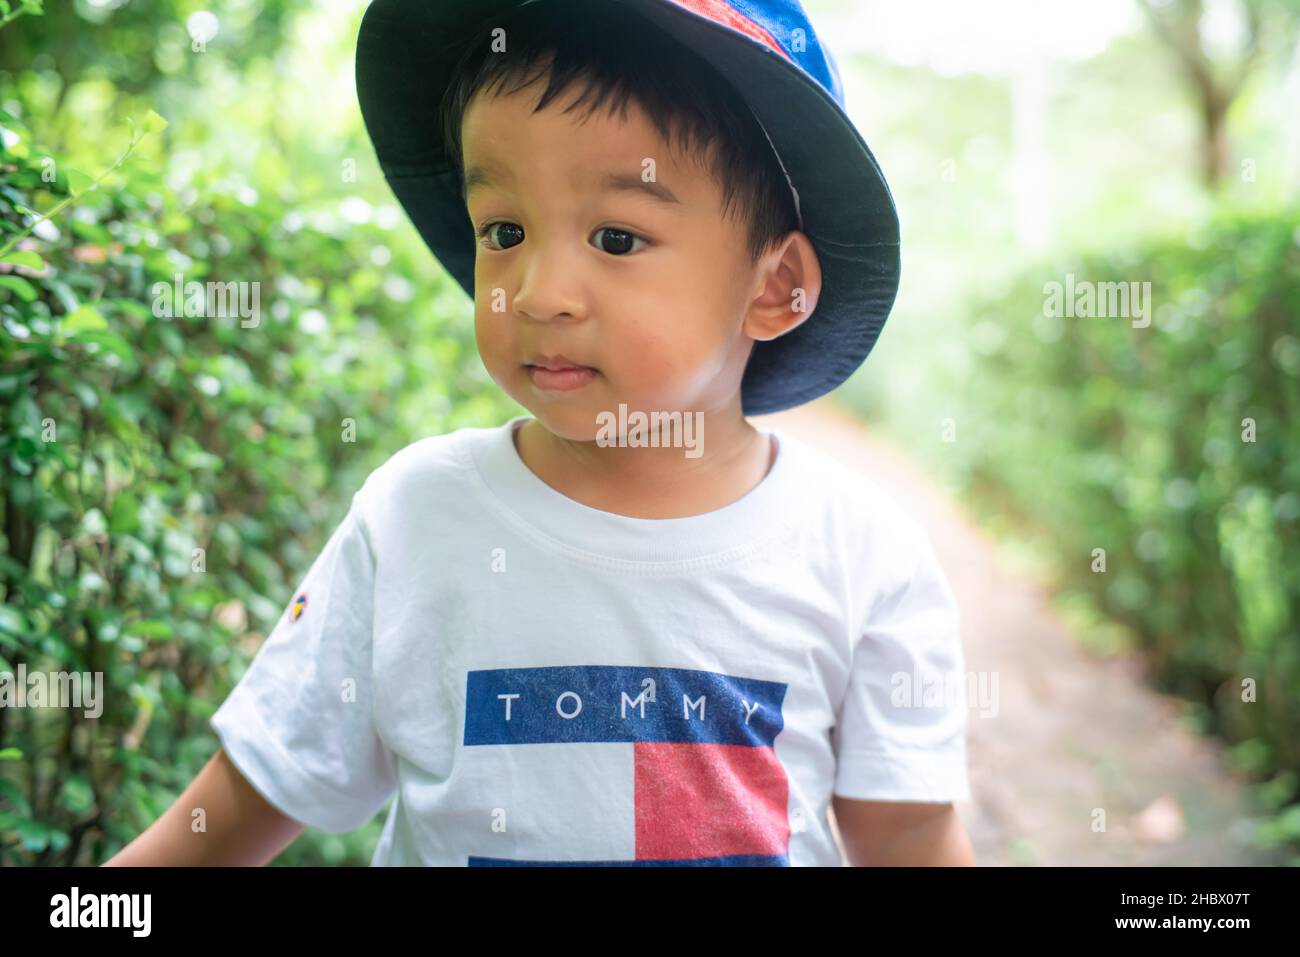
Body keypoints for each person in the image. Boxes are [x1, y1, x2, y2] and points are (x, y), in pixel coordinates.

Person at [106, 0, 975, 867]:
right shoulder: (416, 521)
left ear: (775, 282)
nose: (538, 292)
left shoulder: (861, 558)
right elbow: (224, 822)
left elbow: (906, 834)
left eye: (616, 236)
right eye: (505, 231)